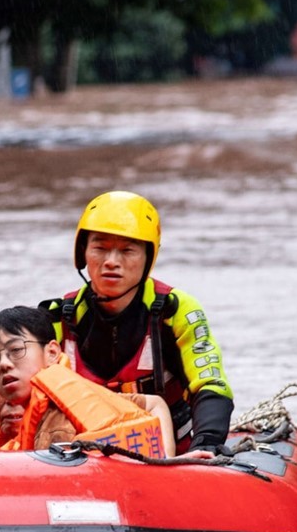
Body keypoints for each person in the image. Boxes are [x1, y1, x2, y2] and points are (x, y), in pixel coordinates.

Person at [41, 191, 234, 453]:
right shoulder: (56, 316)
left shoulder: (175, 310)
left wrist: (208, 443)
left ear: (148, 258)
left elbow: (211, 383)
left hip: (173, 449)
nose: (111, 261)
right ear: (82, 253)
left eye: (127, 250)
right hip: (81, 452)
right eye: (100, 247)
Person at [0, 306, 174, 455]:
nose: (3, 363)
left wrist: (166, 463)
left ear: (51, 353)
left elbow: (155, 404)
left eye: (16, 350)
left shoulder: (71, 410)